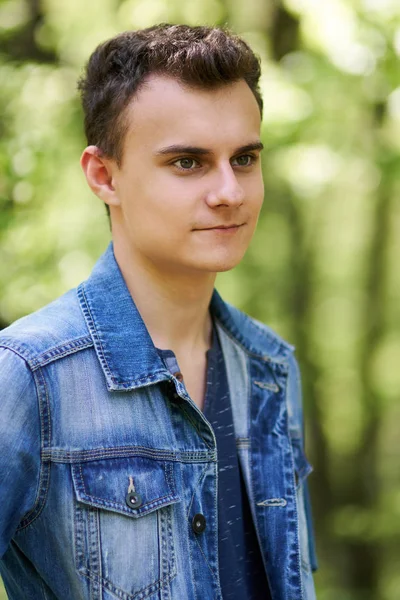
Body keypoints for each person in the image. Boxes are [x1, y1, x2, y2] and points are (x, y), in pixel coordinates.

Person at [0, 24, 317, 600]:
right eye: (189, 163)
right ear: (104, 175)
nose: (230, 191)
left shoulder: (272, 367)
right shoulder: (27, 377)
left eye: (244, 158)